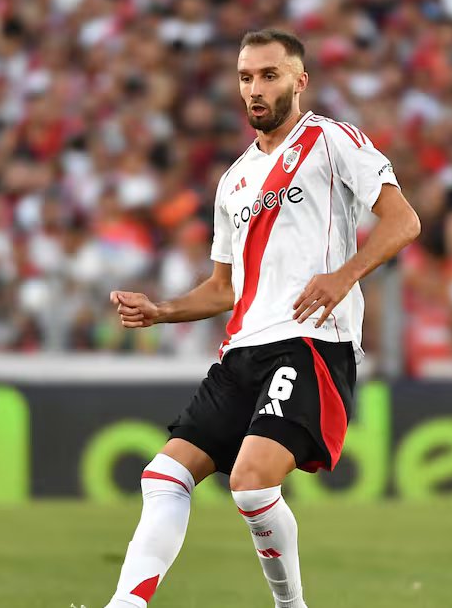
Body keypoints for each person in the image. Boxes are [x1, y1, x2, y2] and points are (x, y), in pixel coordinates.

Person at [103, 30, 421, 608]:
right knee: (163, 477)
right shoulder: (234, 181)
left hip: (310, 343)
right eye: (246, 76)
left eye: (269, 75)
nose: (255, 88)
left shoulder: (331, 139)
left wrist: (344, 274)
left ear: (299, 82)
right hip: (242, 349)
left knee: (251, 483)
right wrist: (163, 310)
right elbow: (226, 287)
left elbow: (403, 221)